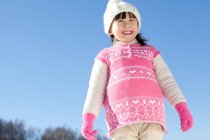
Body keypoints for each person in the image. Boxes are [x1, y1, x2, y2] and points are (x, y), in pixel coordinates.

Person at [81, 0, 193, 140]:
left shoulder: (150, 52)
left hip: (153, 119)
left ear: (138, 25)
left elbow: (168, 82)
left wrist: (183, 110)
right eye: (120, 21)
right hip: (121, 121)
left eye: (132, 20)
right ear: (110, 29)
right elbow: (95, 89)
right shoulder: (105, 56)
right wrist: (88, 119)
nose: (127, 24)